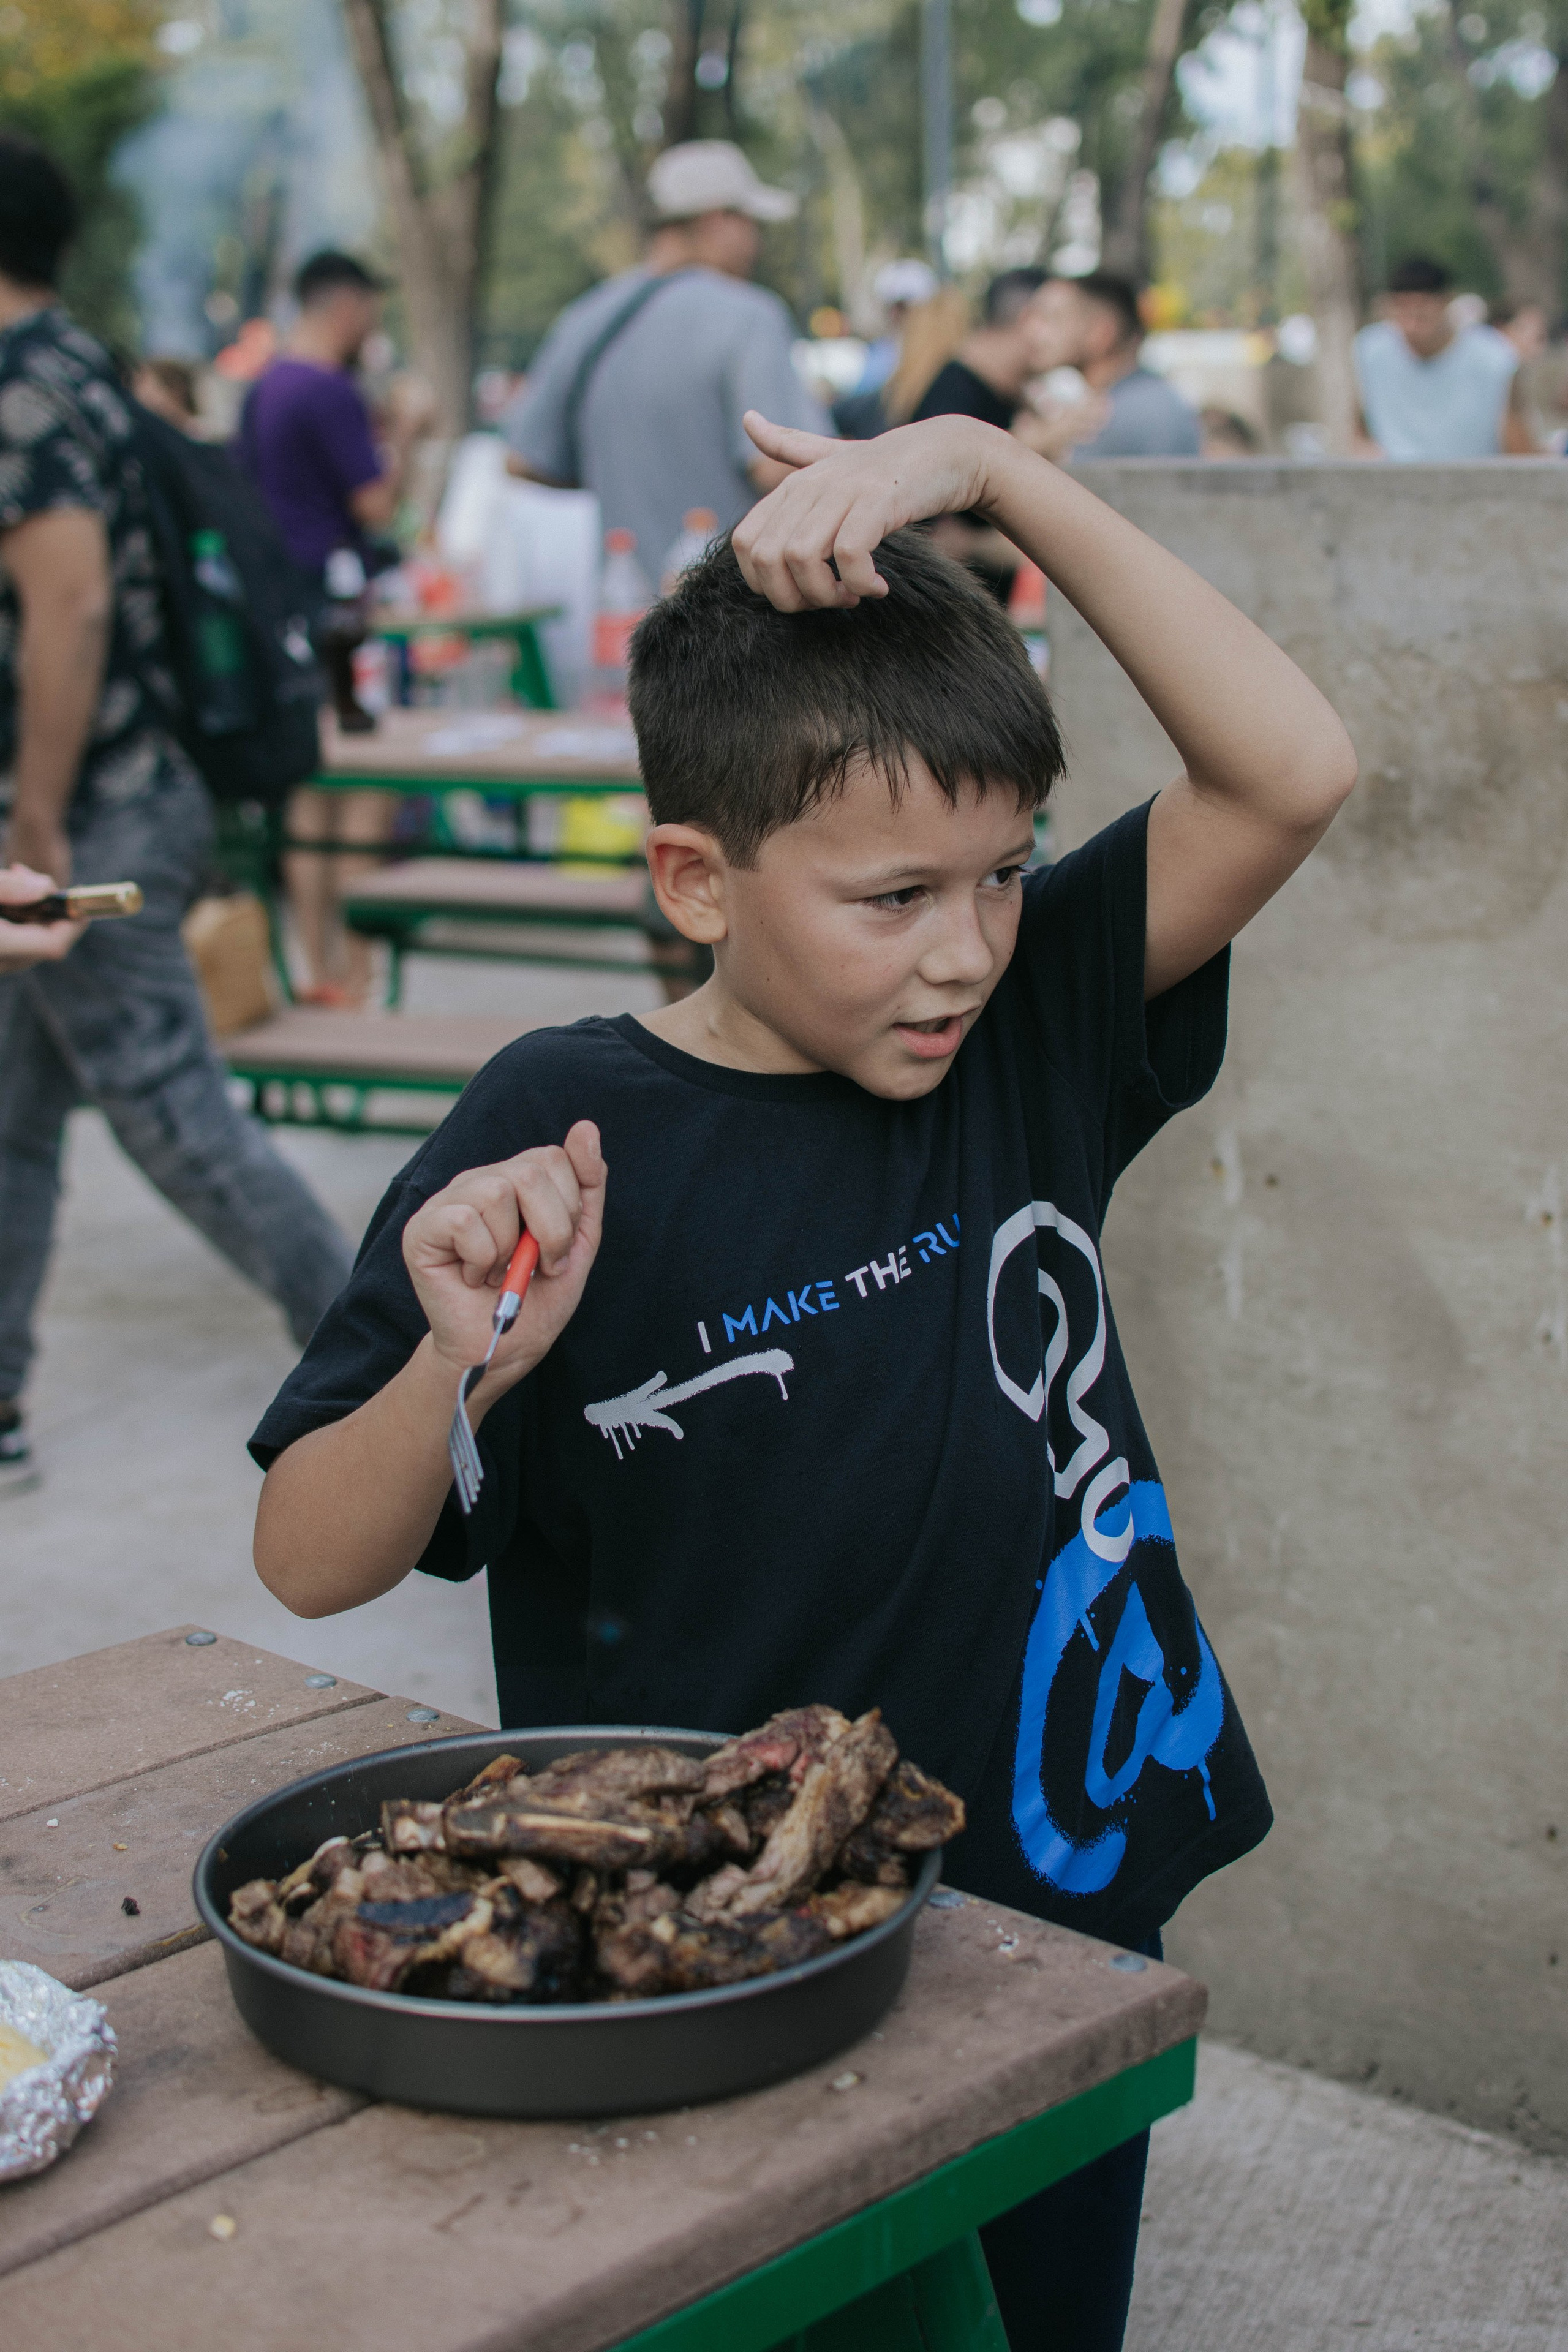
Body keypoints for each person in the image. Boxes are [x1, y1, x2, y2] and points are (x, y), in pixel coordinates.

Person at [248, 402, 1356, 2345]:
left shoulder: (1025, 1031)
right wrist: (459, 1360)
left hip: (1054, 1882)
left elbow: (1290, 767)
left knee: (1035, 2298)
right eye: (891, 900)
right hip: (706, 1950)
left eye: (1002, 874)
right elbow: (310, 1555)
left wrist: (990, 472)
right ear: (694, 878)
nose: (961, 952)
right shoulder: (557, 1130)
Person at [0, 137, 353, 1499]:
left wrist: (36, 819)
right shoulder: (79, 362)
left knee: (175, 1115)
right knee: (17, 1111)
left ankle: (377, 1367)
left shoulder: (23, 394)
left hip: (87, 814)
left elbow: (71, 602)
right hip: (127, 791)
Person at [239, 250, 435, 1003]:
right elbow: (377, 506)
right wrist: (411, 434)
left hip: (282, 613)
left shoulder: (262, 388)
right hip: (344, 612)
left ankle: (316, 966)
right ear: (347, 305)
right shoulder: (329, 390)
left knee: (309, 789)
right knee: (365, 784)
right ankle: (355, 973)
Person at [503, 140, 829, 589]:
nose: (756, 242)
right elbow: (777, 465)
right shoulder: (749, 316)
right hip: (738, 624)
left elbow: (522, 460)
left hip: (623, 624)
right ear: (716, 219)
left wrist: (621, 477)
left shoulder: (585, 319)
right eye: (749, 223)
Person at [908, 268, 1076, 598]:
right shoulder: (954, 403)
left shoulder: (1008, 396)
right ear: (1031, 321)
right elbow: (938, 542)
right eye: (1063, 320)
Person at [1354, 255, 1534, 458]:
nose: (1412, 327)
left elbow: (1519, 447)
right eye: (1403, 313)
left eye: (1421, 314)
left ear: (1446, 302)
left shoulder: (1493, 357)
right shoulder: (1370, 350)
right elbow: (1361, 427)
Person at [1025, 271, 1201, 459]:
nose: (1034, 331)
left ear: (1101, 333)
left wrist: (1034, 445)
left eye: (1054, 318)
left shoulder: (1105, 417)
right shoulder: (1153, 396)